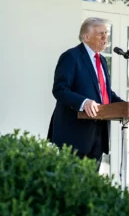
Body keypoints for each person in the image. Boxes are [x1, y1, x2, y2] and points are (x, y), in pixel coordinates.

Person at [47, 17, 123, 169]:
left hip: (97, 136)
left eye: (106, 33)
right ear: (86, 37)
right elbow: (60, 89)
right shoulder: (71, 57)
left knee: (90, 187)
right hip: (73, 136)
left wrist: (125, 106)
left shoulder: (101, 60)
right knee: (71, 188)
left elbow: (104, 93)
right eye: (100, 33)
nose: (105, 37)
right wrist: (83, 102)